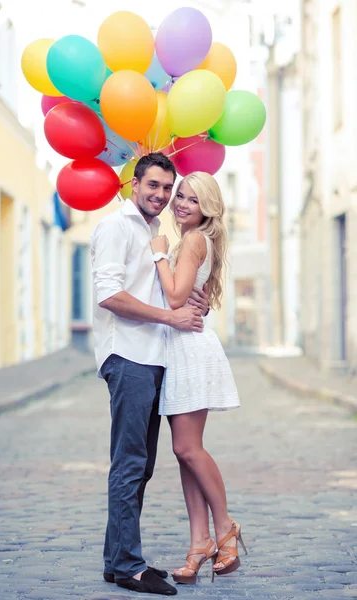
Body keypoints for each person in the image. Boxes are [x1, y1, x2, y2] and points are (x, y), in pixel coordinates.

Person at [90, 153, 209, 596]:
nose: (161, 195)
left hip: (154, 357)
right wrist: (167, 317)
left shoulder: (154, 232)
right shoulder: (116, 227)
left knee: (141, 467)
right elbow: (109, 295)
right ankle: (128, 566)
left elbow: (164, 292)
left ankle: (116, 560)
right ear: (133, 185)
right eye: (153, 186)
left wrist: (190, 305)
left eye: (167, 188)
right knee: (130, 463)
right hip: (128, 356)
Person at [150, 172, 247, 585]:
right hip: (181, 346)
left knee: (188, 448)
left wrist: (158, 254)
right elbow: (186, 297)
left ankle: (224, 527)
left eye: (192, 199)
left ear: (207, 206)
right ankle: (199, 542)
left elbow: (174, 297)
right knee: (184, 451)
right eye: (180, 197)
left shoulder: (190, 241)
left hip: (189, 350)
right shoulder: (191, 241)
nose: (181, 204)